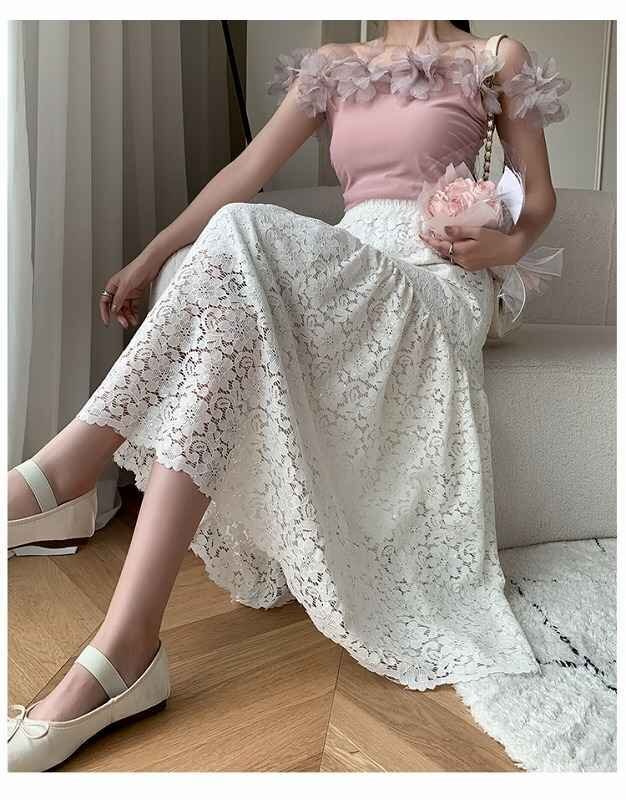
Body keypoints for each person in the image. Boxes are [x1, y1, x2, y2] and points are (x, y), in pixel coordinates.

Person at [7, 20, 570, 771]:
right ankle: (126, 646)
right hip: (349, 262)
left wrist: (502, 247)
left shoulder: (494, 58)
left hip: (433, 282)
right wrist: (151, 256)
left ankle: (66, 476)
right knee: (232, 266)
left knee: (242, 235)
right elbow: (244, 172)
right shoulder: (335, 64)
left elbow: (538, 196)